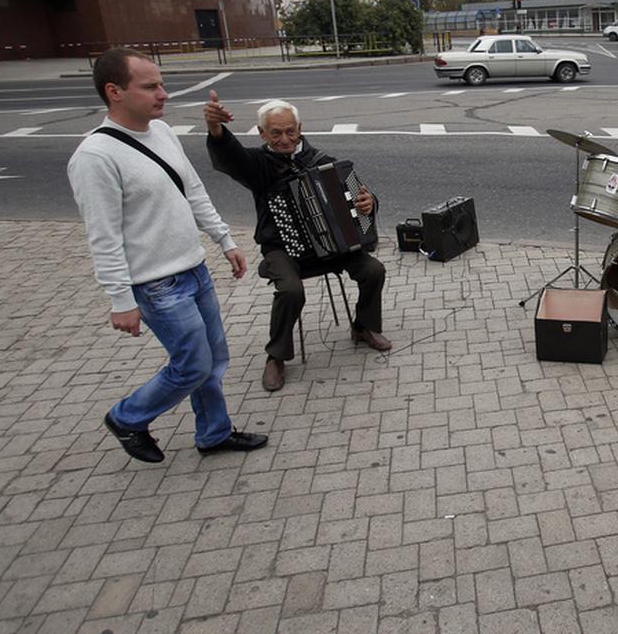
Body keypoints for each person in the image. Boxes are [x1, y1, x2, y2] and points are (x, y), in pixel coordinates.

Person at [68, 48, 267, 463]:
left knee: (214, 361)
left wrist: (224, 240)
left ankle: (213, 434)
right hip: (156, 285)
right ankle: (127, 418)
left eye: (161, 83)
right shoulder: (94, 157)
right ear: (114, 92)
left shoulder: (161, 133)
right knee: (192, 366)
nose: (164, 93)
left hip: (194, 270)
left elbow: (193, 191)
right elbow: (102, 237)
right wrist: (120, 301)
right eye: (151, 86)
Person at [205, 96, 389, 392]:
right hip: (281, 247)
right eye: (275, 133)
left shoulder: (325, 163)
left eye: (290, 131)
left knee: (374, 269)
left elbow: (358, 201)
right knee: (291, 290)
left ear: (300, 129)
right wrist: (215, 129)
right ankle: (276, 356)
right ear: (262, 133)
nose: (284, 139)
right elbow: (230, 158)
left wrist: (369, 204)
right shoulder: (258, 166)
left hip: (331, 248)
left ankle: (363, 326)